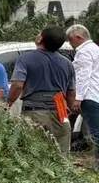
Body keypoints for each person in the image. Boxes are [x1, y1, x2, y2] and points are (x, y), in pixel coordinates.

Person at [6, 25, 76, 154]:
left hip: (34, 112)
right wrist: (71, 109)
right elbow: (71, 94)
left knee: (34, 156)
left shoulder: (25, 58)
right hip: (60, 113)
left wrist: (7, 103)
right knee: (61, 157)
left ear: (40, 39)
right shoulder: (67, 63)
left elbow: (17, 85)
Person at [67, 24, 99, 162]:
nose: (70, 43)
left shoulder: (84, 52)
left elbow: (83, 75)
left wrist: (78, 98)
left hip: (89, 96)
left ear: (79, 37)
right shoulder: (95, 49)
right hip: (95, 94)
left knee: (96, 133)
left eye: (71, 39)